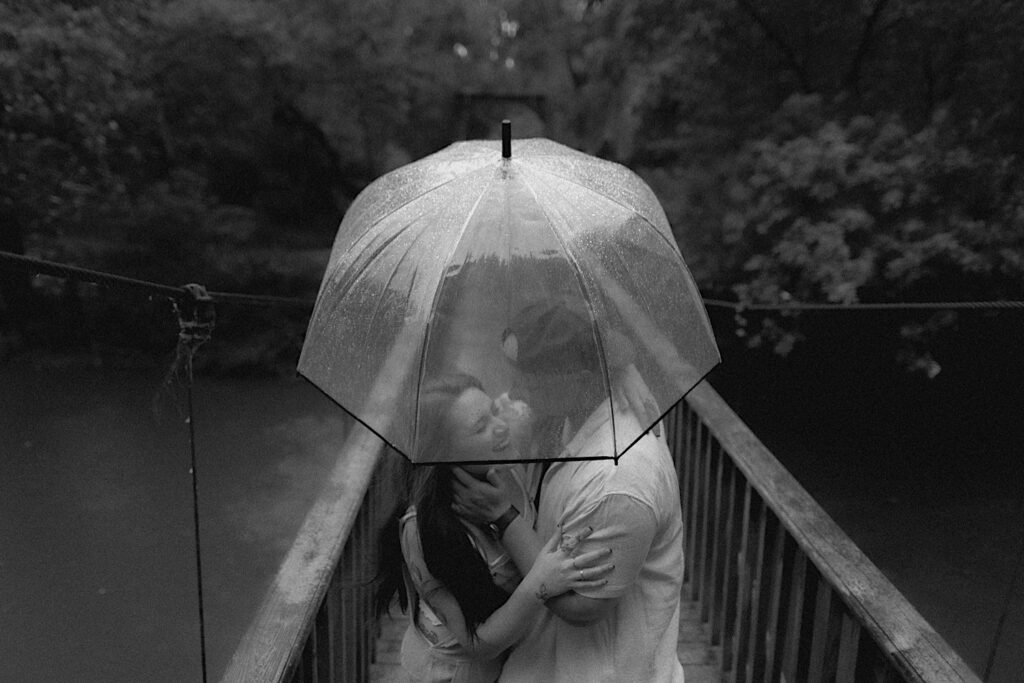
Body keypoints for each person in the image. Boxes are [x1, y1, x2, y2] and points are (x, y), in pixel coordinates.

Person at [451, 302, 687, 682]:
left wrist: (502, 516)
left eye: (525, 376)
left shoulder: (619, 479)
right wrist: (621, 366)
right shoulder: (571, 412)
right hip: (547, 662)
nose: (513, 391)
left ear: (571, 376)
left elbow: (583, 607)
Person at [374, 372, 616, 683]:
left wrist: (625, 375)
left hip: (515, 658)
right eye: (480, 427)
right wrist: (540, 580)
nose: (501, 426)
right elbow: (476, 644)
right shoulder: (425, 530)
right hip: (457, 673)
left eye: (494, 411)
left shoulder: (500, 462)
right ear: (442, 453)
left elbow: (543, 383)